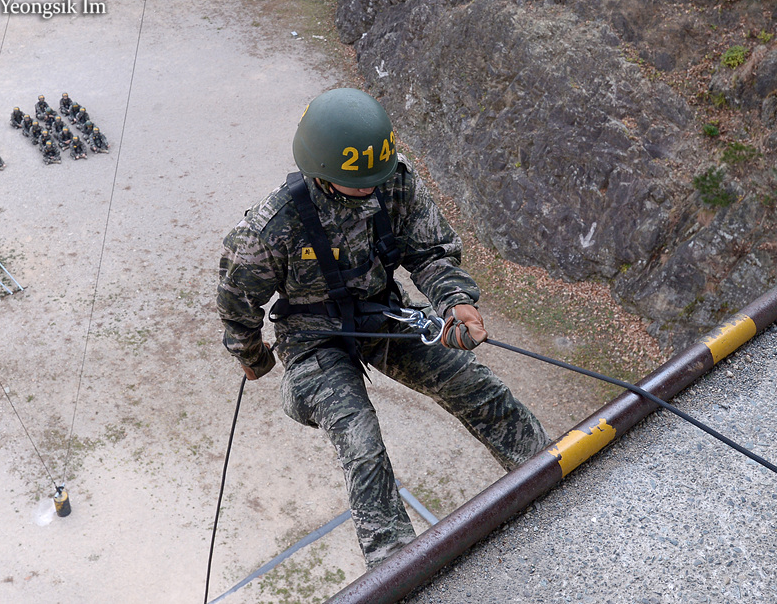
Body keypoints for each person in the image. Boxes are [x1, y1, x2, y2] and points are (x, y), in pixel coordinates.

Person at [215, 88, 548, 568]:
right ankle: (395, 566)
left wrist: (455, 304)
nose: (370, 189)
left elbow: (430, 251)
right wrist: (253, 357)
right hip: (314, 341)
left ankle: (546, 469)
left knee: (477, 388)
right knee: (361, 440)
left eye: (376, 178)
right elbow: (237, 302)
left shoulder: (390, 181)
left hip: (382, 314)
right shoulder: (268, 232)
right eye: (359, 183)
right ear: (323, 173)